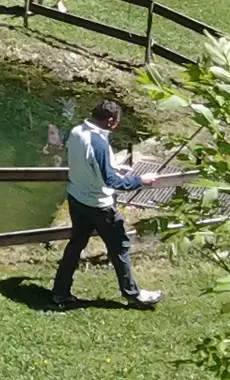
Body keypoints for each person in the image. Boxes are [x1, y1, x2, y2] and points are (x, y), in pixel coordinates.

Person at [52, 100, 162, 309]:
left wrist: (112, 167)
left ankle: (60, 292)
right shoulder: (99, 143)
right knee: (119, 247)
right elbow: (112, 182)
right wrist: (142, 180)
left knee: (75, 245)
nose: (117, 126)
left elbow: (88, 163)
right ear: (110, 121)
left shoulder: (76, 131)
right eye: (117, 122)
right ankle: (133, 294)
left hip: (76, 198)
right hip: (98, 205)